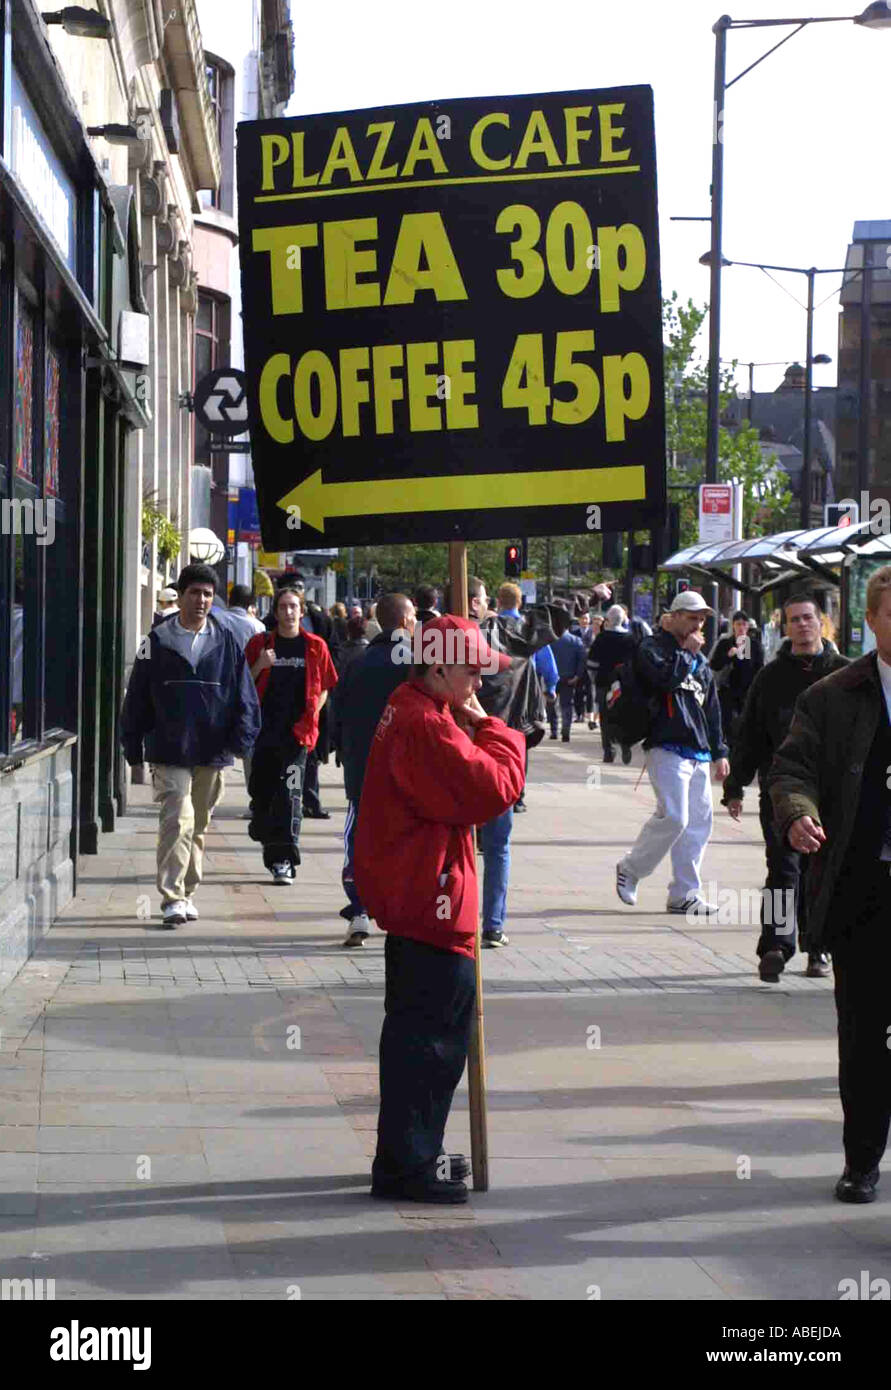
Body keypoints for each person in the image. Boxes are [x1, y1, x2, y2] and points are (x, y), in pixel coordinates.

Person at [354, 614, 524, 1203]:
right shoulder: (426, 724)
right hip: (431, 901)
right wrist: (497, 732)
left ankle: (406, 1154)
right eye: (473, 672)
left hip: (420, 896)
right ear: (440, 666)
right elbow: (494, 788)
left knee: (415, 1039)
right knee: (430, 1045)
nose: (479, 683)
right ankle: (408, 1166)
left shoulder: (413, 708)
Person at [769, 565, 891, 1205]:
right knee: (866, 1032)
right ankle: (862, 1160)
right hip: (865, 891)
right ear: (871, 621)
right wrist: (797, 814)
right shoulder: (834, 695)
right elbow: (792, 768)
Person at [121, 562, 261, 927]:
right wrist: (132, 744)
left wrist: (242, 739)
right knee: (176, 820)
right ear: (180, 596)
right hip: (169, 748)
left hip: (212, 750)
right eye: (195, 593)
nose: (201, 600)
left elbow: (243, 694)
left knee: (198, 824)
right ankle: (171, 898)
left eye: (208, 594)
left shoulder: (226, 641)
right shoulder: (156, 642)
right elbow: (137, 696)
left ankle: (188, 891)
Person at [723, 593, 848, 981]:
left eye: (808, 618)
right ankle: (775, 946)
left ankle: (818, 949)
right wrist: (735, 785)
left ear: (821, 622)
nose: (802, 625)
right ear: (785, 627)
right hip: (781, 789)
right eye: (794, 620)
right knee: (782, 869)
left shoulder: (845, 673)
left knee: (820, 871)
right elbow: (751, 735)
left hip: (832, 791)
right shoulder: (771, 678)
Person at [615, 591, 729, 917]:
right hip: (665, 744)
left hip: (698, 751)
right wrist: (687, 654)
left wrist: (720, 750)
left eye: (702, 619)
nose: (698, 625)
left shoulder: (701, 661)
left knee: (698, 824)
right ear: (674, 617)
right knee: (675, 816)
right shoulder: (653, 648)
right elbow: (665, 679)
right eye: (692, 617)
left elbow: (711, 708)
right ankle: (632, 868)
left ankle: (684, 893)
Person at [333, 593, 416, 946]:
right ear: (405, 622)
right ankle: (403, 913)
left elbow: (338, 714)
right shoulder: (418, 663)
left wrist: (341, 753)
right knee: (405, 841)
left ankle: (360, 911)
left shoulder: (357, 662)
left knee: (359, 840)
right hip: (408, 774)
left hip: (362, 771)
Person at [476, 582, 553, 943]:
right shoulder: (518, 636)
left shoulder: (455, 640)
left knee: (456, 843)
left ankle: (445, 917)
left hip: (465, 747)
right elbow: (549, 657)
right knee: (497, 845)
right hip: (503, 747)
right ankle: (493, 924)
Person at [244, 587, 337, 884]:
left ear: (302, 611)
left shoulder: (315, 646)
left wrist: (312, 714)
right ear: (275, 610)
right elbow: (242, 682)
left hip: (298, 737)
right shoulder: (260, 643)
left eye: (293, 606)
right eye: (283, 607)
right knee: (262, 794)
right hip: (263, 734)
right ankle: (262, 825)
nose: (288, 612)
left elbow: (326, 684)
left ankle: (283, 859)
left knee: (290, 795)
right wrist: (261, 664)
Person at [492, 582, 556, 813]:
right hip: (527, 690)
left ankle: (500, 789)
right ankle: (518, 794)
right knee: (521, 741)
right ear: (520, 602)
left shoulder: (493, 627)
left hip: (499, 691)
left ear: (498, 601)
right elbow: (548, 662)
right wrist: (551, 686)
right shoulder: (527, 628)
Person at [710, 609, 764, 747]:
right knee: (729, 727)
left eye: (744, 624)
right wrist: (728, 656)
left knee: (746, 726)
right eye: (738, 624)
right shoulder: (725, 643)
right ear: (733, 625)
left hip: (747, 693)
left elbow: (759, 669)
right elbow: (714, 665)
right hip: (728, 691)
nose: (741, 627)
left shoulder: (754, 645)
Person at [588, 605, 634, 764]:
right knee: (625, 715)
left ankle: (609, 750)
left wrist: (594, 674)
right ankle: (626, 744)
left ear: (608, 620)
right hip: (624, 684)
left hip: (604, 682)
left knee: (605, 717)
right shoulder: (631, 638)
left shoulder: (601, 638)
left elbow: (591, 662)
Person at [550, 609, 586, 742]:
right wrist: (577, 675)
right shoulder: (576, 641)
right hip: (569, 677)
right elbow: (582, 660)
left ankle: (553, 730)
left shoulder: (550, 640)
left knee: (551, 704)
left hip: (553, 677)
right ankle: (566, 730)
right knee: (567, 705)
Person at [573, 611, 596, 723]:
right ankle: (579, 715)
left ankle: (590, 714)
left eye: (586, 618)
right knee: (578, 691)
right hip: (578, 666)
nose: (584, 621)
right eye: (582, 618)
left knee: (590, 691)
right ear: (578, 620)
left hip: (590, 666)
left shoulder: (593, 633)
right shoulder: (574, 633)